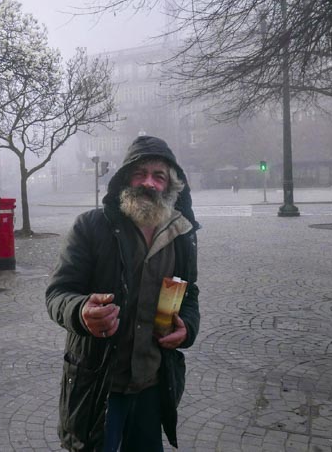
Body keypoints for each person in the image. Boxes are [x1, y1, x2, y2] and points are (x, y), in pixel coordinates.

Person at [45, 136, 200, 451]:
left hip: (152, 386)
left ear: (171, 185)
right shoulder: (91, 227)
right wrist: (81, 311)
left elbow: (190, 293)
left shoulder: (182, 234)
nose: (149, 183)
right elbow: (58, 293)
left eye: (159, 176)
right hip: (99, 385)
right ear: (124, 179)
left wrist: (187, 327)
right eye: (140, 173)